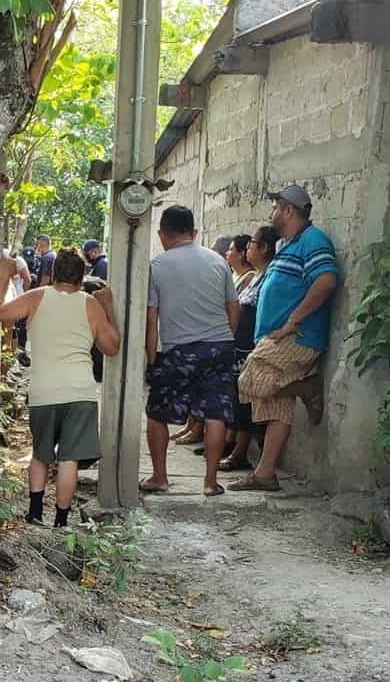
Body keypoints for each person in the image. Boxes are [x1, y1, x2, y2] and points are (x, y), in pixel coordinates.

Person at [0, 247, 120, 526]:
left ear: (54, 273)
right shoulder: (90, 304)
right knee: (69, 459)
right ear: (82, 277)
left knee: (41, 455)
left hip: (44, 391)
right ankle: (61, 521)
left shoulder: (36, 297)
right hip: (81, 393)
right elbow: (111, 347)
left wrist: (2, 275)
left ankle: (34, 514)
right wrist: (108, 308)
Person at [230, 186, 338, 492]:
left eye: (276, 206)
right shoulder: (288, 245)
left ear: (289, 210)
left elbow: (327, 281)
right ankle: (265, 473)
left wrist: (292, 322)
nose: (272, 212)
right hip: (276, 335)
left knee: (249, 380)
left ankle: (308, 386)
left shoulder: (312, 239)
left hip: (297, 336)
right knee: (275, 403)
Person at [143, 205, 240, 497]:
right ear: (194, 233)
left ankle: (160, 477)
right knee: (216, 413)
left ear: (162, 234)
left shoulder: (157, 266)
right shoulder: (218, 262)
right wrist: (224, 340)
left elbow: (152, 321)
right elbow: (233, 309)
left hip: (180, 352)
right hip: (220, 347)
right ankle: (210, 482)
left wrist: (151, 361)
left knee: (157, 413)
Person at [219, 225, 280, 472]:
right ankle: (234, 447)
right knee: (238, 398)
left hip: (253, 347)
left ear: (264, 248)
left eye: (252, 244)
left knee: (247, 400)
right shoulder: (256, 276)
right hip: (241, 346)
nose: (248, 249)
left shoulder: (267, 277)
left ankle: (240, 451)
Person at [82, 240, 108, 383]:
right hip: (96, 310)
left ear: (94, 252)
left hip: (99, 310)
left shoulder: (102, 264)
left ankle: (98, 373)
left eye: (87, 254)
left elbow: (100, 287)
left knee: (97, 345)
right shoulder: (98, 265)